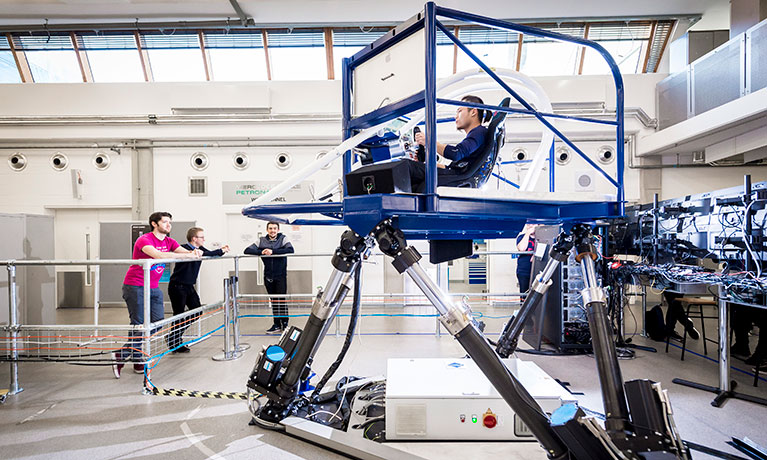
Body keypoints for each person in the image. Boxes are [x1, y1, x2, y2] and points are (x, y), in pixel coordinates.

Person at [113, 212, 201, 379]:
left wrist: (196, 252)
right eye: (165, 222)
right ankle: (135, 357)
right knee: (139, 323)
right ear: (154, 224)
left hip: (153, 287)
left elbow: (185, 252)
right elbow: (159, 256)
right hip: (135, 285)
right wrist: (188, 254)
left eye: (170, 222)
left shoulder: (169, 241)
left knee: (158, 322)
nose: (169, 225)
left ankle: (123, 353)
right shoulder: (144, 240)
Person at [408, 94, 490, 193]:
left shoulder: (479, 132)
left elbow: (456, 153)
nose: (456, 116)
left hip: (458, 178)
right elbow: (452, 168)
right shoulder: (477, 135)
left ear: (473, 112)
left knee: (406, 166)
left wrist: (429, 142)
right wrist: (424, 164)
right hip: (456, 176)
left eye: (459, 111)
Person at [166, 227, 230, 353]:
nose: (204, 239)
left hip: (189, 286)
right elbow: (204, 254)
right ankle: (175, 342)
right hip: (177, 286)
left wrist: (222, 250)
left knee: (197, 311)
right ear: (194, 239)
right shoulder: (183, 248)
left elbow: (210, 253)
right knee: (179, 315)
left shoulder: (199, 249)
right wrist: (220, 250)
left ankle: (173, 336)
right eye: (202, 237)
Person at [245, 221, 294, 333]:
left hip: (280, 276)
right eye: (270, 228)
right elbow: (247, 250)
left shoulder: (283, 238)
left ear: (278, 229)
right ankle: (276, 324)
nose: (272, 230)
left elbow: (290, 250)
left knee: (281, 300)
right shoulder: (261, 240)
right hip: (268, 276)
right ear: (267, 230)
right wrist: (262, 251)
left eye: (275, 228)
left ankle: (285, 324)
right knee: (273, 300)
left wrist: (273, 251)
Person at [515, 224, 537, 294]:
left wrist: (535, 256)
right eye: (528, 224)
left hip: (538, 270)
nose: (530, 226)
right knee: (524, 293)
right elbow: (522, 249)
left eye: (533, 224)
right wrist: (527, 234)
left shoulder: (542, 238)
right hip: (524, 271)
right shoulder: (521, 237)